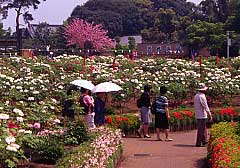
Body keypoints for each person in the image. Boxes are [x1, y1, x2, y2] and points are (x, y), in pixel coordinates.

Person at [194, 83, 212, 147]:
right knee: (201, 129)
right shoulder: (202, 96)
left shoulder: (196, 96)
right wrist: (209, 114)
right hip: (202, 115)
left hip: (198, 114)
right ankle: (199, 143)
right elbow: (205, 106)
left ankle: (204, 141)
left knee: (203, 128)